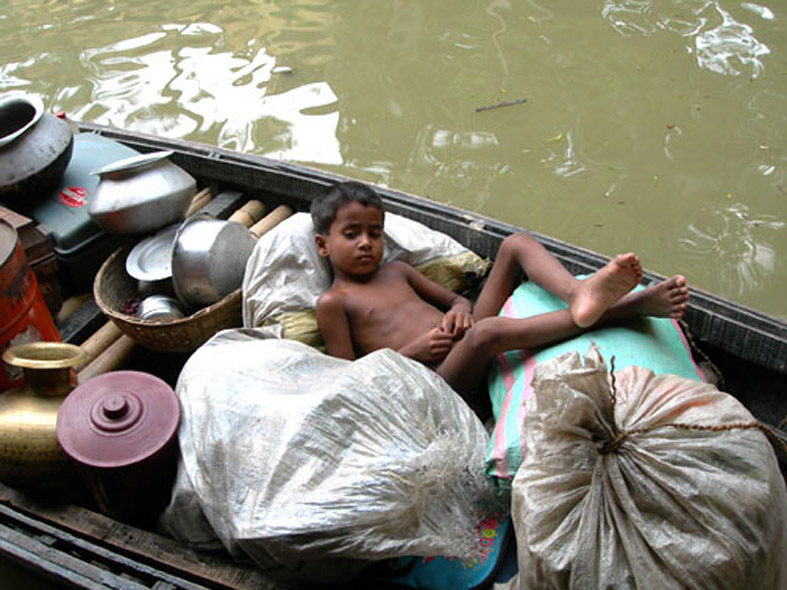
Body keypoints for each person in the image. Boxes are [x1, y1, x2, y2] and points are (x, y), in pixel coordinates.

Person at [312, 181, 689, 414]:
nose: (366, 243)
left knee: (515, 244)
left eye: (375, 233)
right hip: (438, 378)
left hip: (464, 334)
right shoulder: (334, 303)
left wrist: (458, 312)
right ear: (323, 245)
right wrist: (417, 351)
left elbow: (457, 302)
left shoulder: (396, 270)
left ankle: (579, 294)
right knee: (486, 332)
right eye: (351, 234)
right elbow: (349, 379)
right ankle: (627, 308)